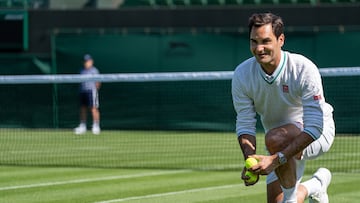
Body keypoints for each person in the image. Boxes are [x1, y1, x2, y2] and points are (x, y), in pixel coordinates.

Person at [231, 13, 335, 203]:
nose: (259, 48)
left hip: (318, 134)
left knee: (276, 138)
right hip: (277, 141)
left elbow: (315, 127)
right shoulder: (242, 74)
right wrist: (250, 158)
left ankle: (291, 199)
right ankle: (316, 185)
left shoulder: (304, 69)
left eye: (265, 41)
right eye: (254, 42)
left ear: (281, 40)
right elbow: (245, 122)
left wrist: (276, 159)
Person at [74, 54, 101, 135]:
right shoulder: (81, 70)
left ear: (91, 61)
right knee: (83, 109)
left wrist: (95, 91)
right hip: (83, 91)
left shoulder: (95, 71)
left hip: (92, 92)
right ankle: (83, 126)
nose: (86, 63)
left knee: (94, 108)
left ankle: (96, 126)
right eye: (85, 61)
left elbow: (98, 83)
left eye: (88, 61)